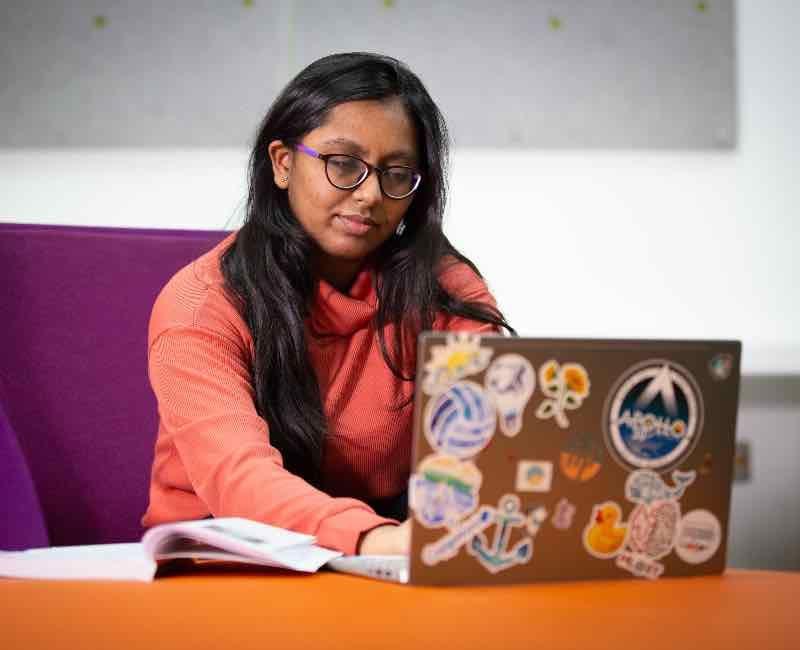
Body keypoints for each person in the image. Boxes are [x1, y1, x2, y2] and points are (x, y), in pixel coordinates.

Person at [141, 52, 513, 556]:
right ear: (283, 162)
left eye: (397, 173)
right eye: (343, 164)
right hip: (225, 559)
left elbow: (486, 449)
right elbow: (238, 479)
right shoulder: (202, 304)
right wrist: (373, 538)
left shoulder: (445, 288)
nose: (369, 195)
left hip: (382, 567)